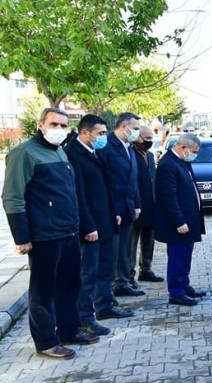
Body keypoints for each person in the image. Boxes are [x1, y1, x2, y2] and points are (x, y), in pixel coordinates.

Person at [2, 107, 99, 359]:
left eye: (63, 125)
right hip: (44, 235)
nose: (59, 130)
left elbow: (69, 194)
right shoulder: (24, 153)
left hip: (67, 232)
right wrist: (21, 237)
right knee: (43, 290)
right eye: (54, 124)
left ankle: (69, 330)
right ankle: (46, 341)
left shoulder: (59, 153)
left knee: (70, 284)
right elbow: (12, 197)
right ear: (40, 125)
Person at [65, 115, 135, 333]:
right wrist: (88, 225)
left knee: (105, 267)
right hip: (91, 226)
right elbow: (79, 195)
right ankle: (85, 317)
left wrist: (115, 213)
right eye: (101, 134)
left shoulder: (94, 152)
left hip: (106, 221)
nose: (104, 137)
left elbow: (106, 186)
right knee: (89, 272)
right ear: (85, 133)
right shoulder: (73, 155)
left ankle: (104, 305)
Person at [154, 133, 207, 306]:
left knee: (185, 256)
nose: (194, 155)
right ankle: (176, 292)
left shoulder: (182, 161)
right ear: (182, 147)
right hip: (178, 223)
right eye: (193, 151)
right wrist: (179, 221)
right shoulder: (168, 164)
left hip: (189, 220)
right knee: (178, 257)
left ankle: (184, 286)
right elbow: (168, 196)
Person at [97, 112, 145, 297]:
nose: (137, 132)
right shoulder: (107, 146)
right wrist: (112, 209)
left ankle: (123, 282)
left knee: (125, 248)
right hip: (114, 208)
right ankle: (109, 289)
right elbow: (106, 181)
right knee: (113, 250)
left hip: (129, 206)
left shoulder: (129, 147)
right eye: (134, 128)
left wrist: (137, 204)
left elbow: (133, 180)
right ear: (123, 126)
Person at [129, 126, 164, 284]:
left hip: (151, 204)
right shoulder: (130, 153)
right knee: (131, 243)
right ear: (137, 137)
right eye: (146, 138)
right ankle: (128, 275)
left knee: (148, 239)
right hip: (135, 205)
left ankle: (146, 269)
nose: (150, 141)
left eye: (151, 138)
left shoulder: (149, 155)